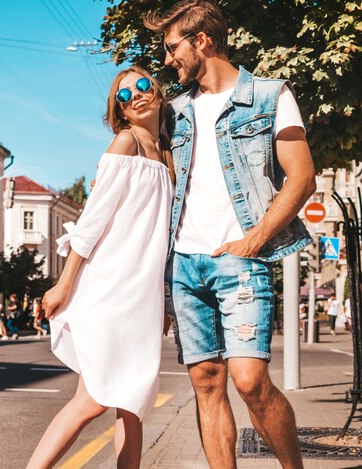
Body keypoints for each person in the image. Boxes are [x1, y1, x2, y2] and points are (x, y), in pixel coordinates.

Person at [146, 1, 316, 468]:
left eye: (171, 47)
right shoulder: (175, 112)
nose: (167, 60)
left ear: (201, 40)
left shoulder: (268, 95)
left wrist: (255, 239)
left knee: (250, 382)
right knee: (205, 380)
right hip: (184, 263)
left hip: (239, 257)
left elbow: (302, 178)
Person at [27, 66, 173, 468]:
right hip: (109, 287)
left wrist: (163, 302)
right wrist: (63, 283)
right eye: (124, 96)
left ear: (157, 89)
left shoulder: (169, 152)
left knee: (135, 404)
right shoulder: (125, 144)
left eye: (142, 85)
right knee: (90, 400)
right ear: (120, 112)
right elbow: (93, 219)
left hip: (141, 296)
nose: (136, 96)